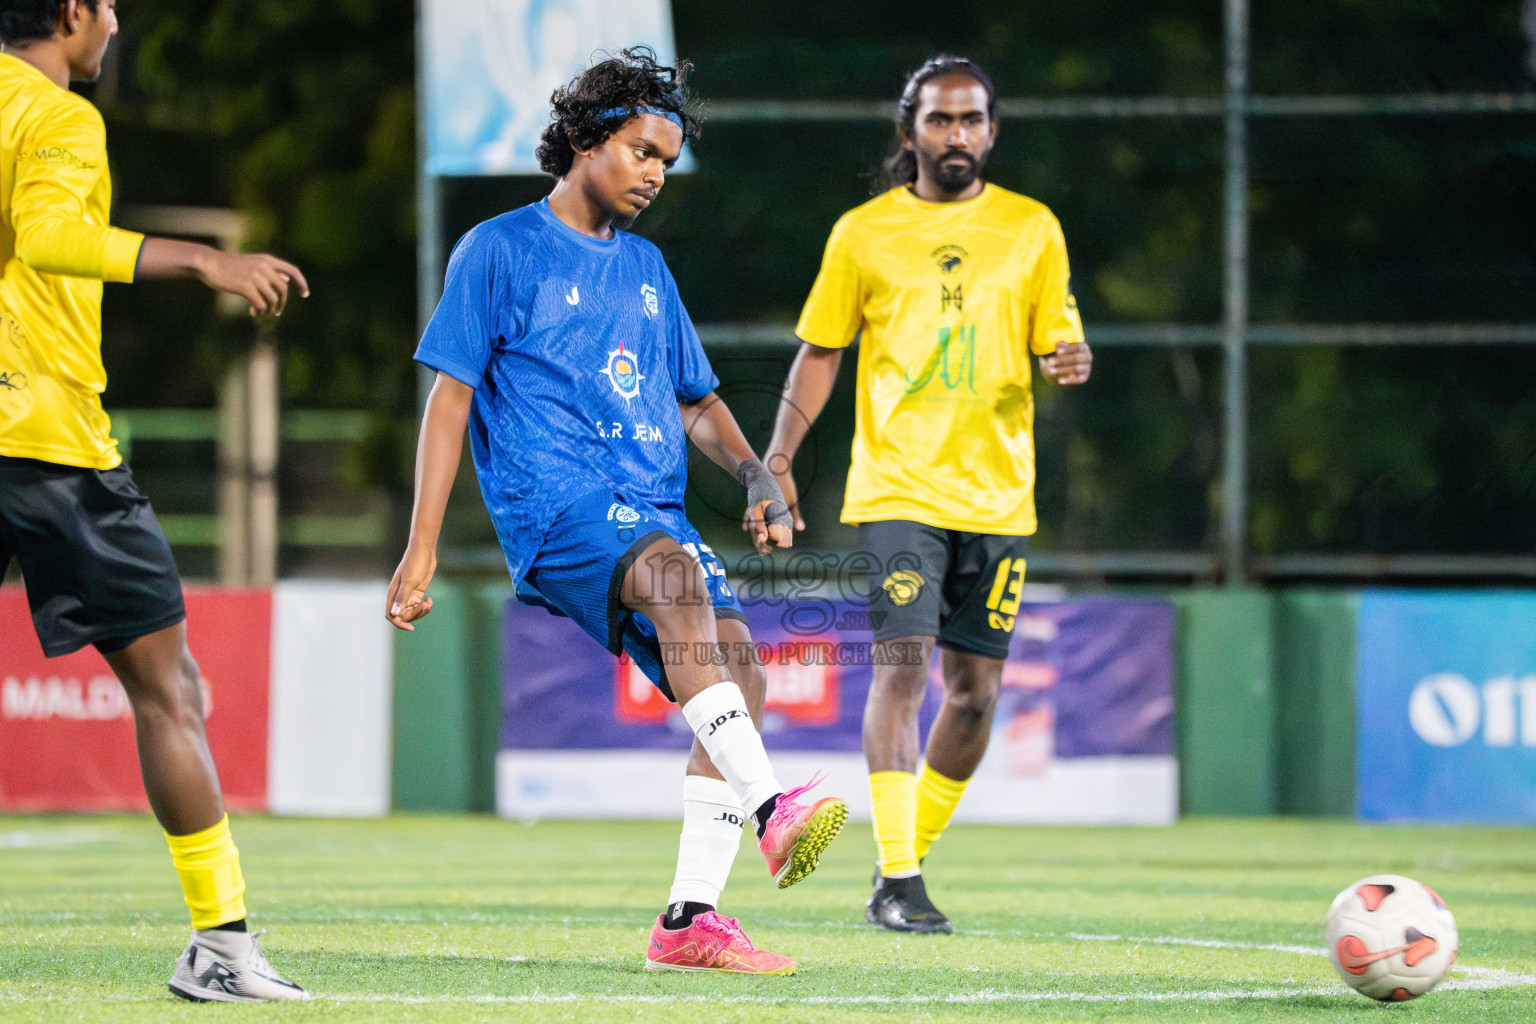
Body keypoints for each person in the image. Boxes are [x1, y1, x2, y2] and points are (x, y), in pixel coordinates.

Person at [386, 47, 847, 977]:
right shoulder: (498, 247)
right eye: (641, 151)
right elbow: (450, 398)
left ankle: (689, 921)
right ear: (587, 140)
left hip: (648, 506)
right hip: (550, 502)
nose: (653, 175)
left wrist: (757, 472)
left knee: (741, 674)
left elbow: (693, 400)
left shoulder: (644, 266)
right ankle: (773, 812)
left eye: (666, 163)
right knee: (677, 586)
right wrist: (420, 547)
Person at [0, 0, 311, 1002]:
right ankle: (220, 948)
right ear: (71, 13)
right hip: (47, 444)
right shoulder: (56, 115)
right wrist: (204, 260)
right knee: (170, 691)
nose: (117, 23)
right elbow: (50, 236)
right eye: (109, 6)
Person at [764, 55, 1093, 934]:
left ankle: (893, 865)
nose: (959, 135)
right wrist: (781, 454)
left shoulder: (1033, 229)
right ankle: (903, 881)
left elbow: (1060, 341)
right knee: (904, 667)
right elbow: (822, 349)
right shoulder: (862, 234)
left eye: (974, 120)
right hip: (898, 486)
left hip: (998, 494)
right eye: (942, 120)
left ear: (992, 130)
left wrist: (1071, 360)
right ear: (910, 128)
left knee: (977, 691)